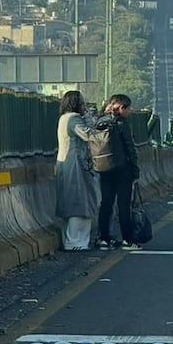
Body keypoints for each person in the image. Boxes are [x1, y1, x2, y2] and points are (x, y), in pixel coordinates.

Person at [93, 94, 142, 250]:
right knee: (123, 205)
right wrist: (135, 170)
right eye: (128, 108)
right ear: (121, 108)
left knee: (106, 203)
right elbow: (129, 147)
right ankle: (128, 239)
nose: (129, 111)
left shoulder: (100, 121)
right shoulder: (121, 123)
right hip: (122, 170)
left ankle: (103, 238)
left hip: (104, 168)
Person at [55, 91, 99, 250]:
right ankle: (76, 241)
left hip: (67, 162)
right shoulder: (74, 119)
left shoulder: (64, 118)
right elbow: (89, 135)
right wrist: (89, 119)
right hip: (75, 163)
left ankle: (73, 240)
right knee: (79, 201)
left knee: (72, 199)